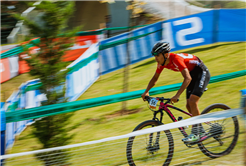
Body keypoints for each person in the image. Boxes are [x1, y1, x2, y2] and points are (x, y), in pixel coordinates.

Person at [141, 41, 210, 143]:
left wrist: (177, 95)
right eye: (154, 56)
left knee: (193, 101)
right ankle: (201, 129)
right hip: (191, 74)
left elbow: (187, 78)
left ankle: (197, 133)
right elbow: (155, 78)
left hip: (201, 72)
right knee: (188, 106)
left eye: (157, 55)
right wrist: (146, 92)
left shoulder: (176, 59)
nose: (155, 58)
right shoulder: (162, 63)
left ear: (165, 54)